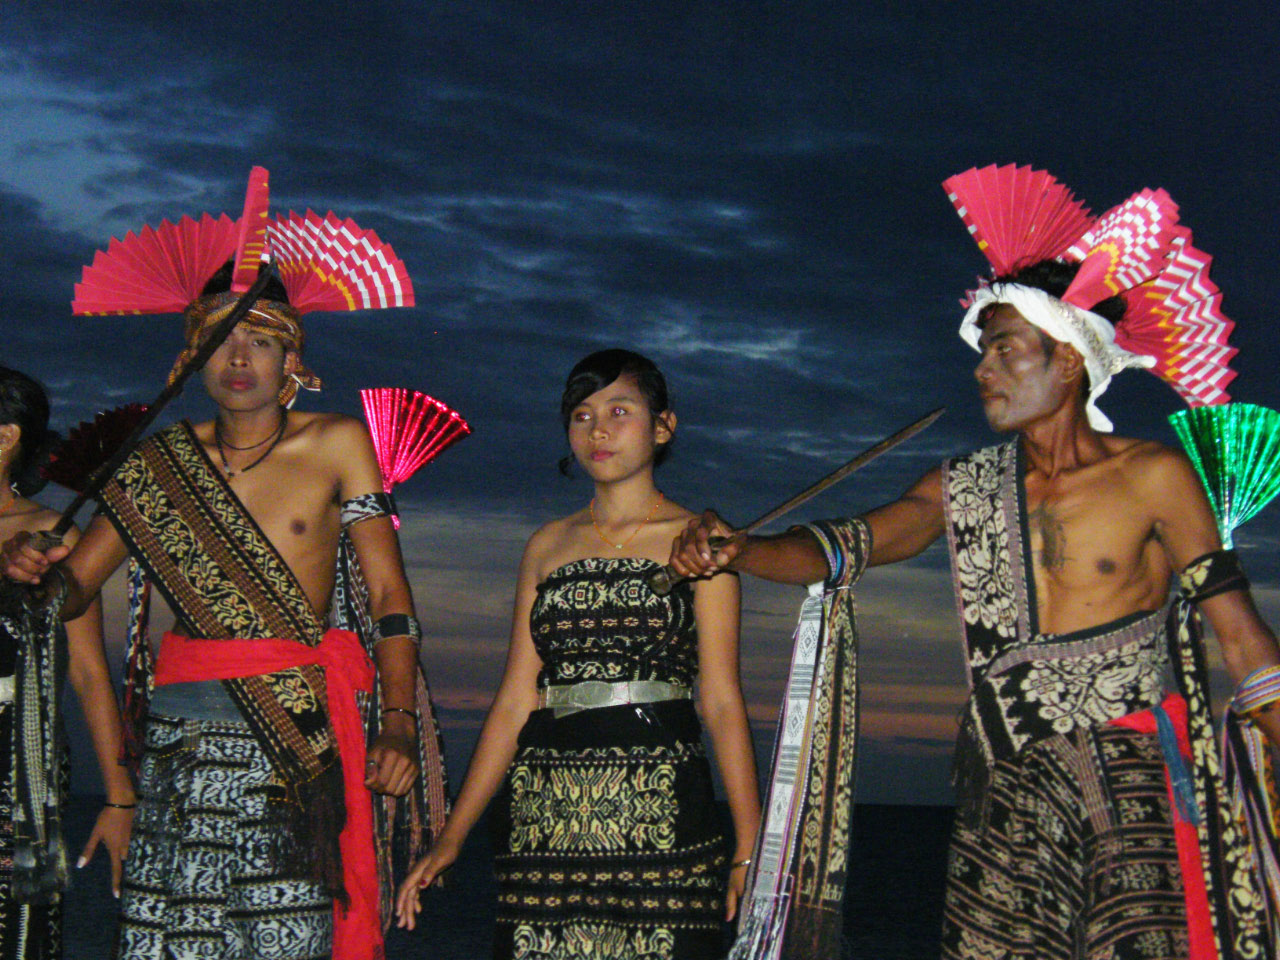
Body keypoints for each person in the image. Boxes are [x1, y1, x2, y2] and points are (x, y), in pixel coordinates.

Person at [667, 171, 1280, 958]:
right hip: (1006, 788)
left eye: (1002, 351)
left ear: (1067, 360)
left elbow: (1239, 636)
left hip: (1130, 787)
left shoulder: (1154, 476)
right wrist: (743, 549)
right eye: (981, 352)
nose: (982, 370)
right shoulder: (962, 487)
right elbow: (851, 544)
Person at [3, 258, 430, 959]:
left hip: (288, 747)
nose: (238, 357)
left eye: (259, 340)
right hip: (176, 749)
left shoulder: (337, 444)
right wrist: (31, 565)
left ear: (292, 356)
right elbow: (74, 586)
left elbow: (389, 597)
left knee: (280, 937)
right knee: (171, 939)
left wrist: (401, 723)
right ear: (191, 355)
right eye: (220, 339)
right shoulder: (157, 461)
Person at [395, 349, 760, 958]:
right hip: (545, 813)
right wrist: (451, 835)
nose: (599, 430)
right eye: (582, 415)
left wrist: (748, 844)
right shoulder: (546, 546)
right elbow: (516, 698)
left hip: (661, 810)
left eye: (620, 411)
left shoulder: (701, 544)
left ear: (663, 426)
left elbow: (721, 701)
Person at [0, 366, 135, 958]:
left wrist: (118, 796)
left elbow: (87, 673)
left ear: (6, 436)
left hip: (14, 773)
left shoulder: (51, 534)